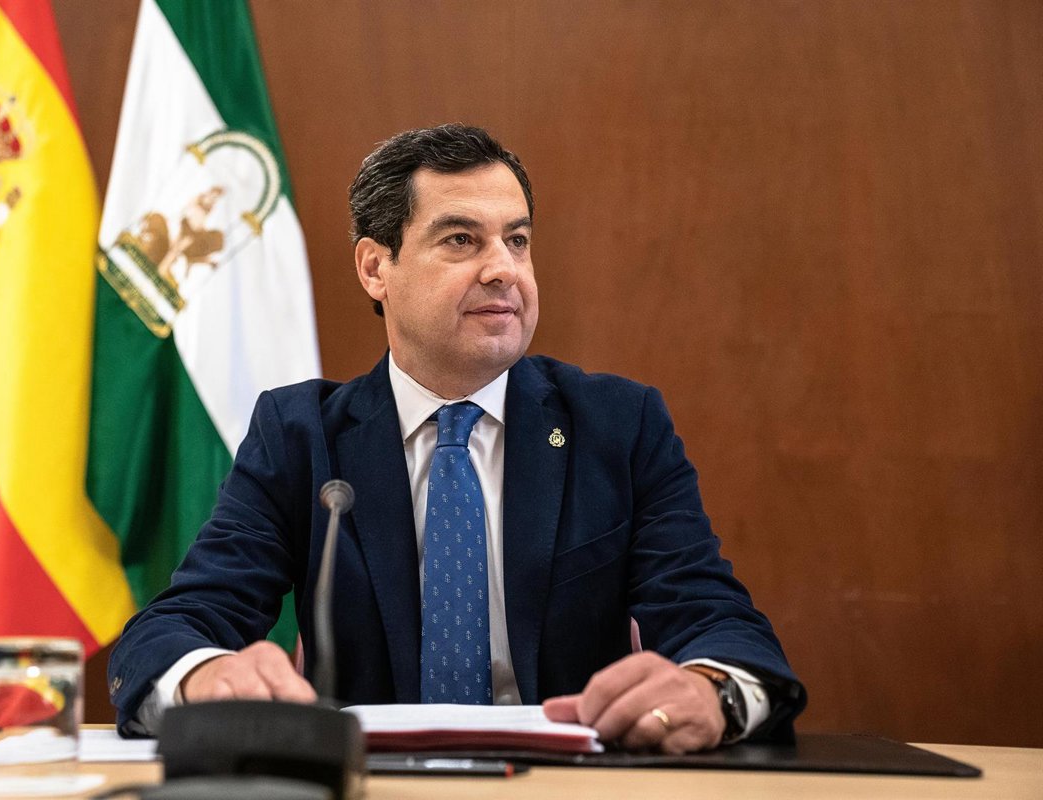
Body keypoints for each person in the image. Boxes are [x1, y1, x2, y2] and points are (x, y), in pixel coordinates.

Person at [109, 124, 805, 752]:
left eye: (517, 240)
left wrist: (713, 692)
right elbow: (177, 626)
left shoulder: (618, 427)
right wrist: (207, 675)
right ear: (375, 268)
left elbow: (718, 622)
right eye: (461, 240)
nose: (504, 269)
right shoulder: (300, 436)